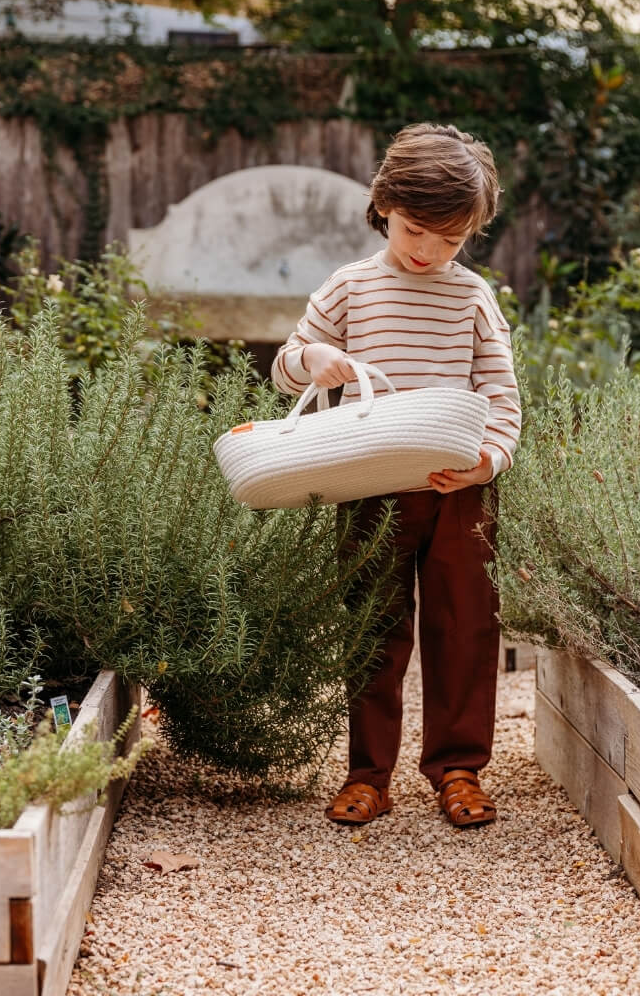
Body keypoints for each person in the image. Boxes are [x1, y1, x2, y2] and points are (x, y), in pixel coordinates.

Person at [270, 123, 521, 828]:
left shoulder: (471, 298)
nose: (427, 252)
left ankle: (460, 769)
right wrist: (314, 360)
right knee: (373, 628)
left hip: (459, 490)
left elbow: (502, 397)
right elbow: (288, 361)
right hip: (371, 485)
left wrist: (486, 461)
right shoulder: (351, 287)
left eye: (450, 241)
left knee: (464, 626)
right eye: (416, 231)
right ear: (383, 205)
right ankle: (367, 772)